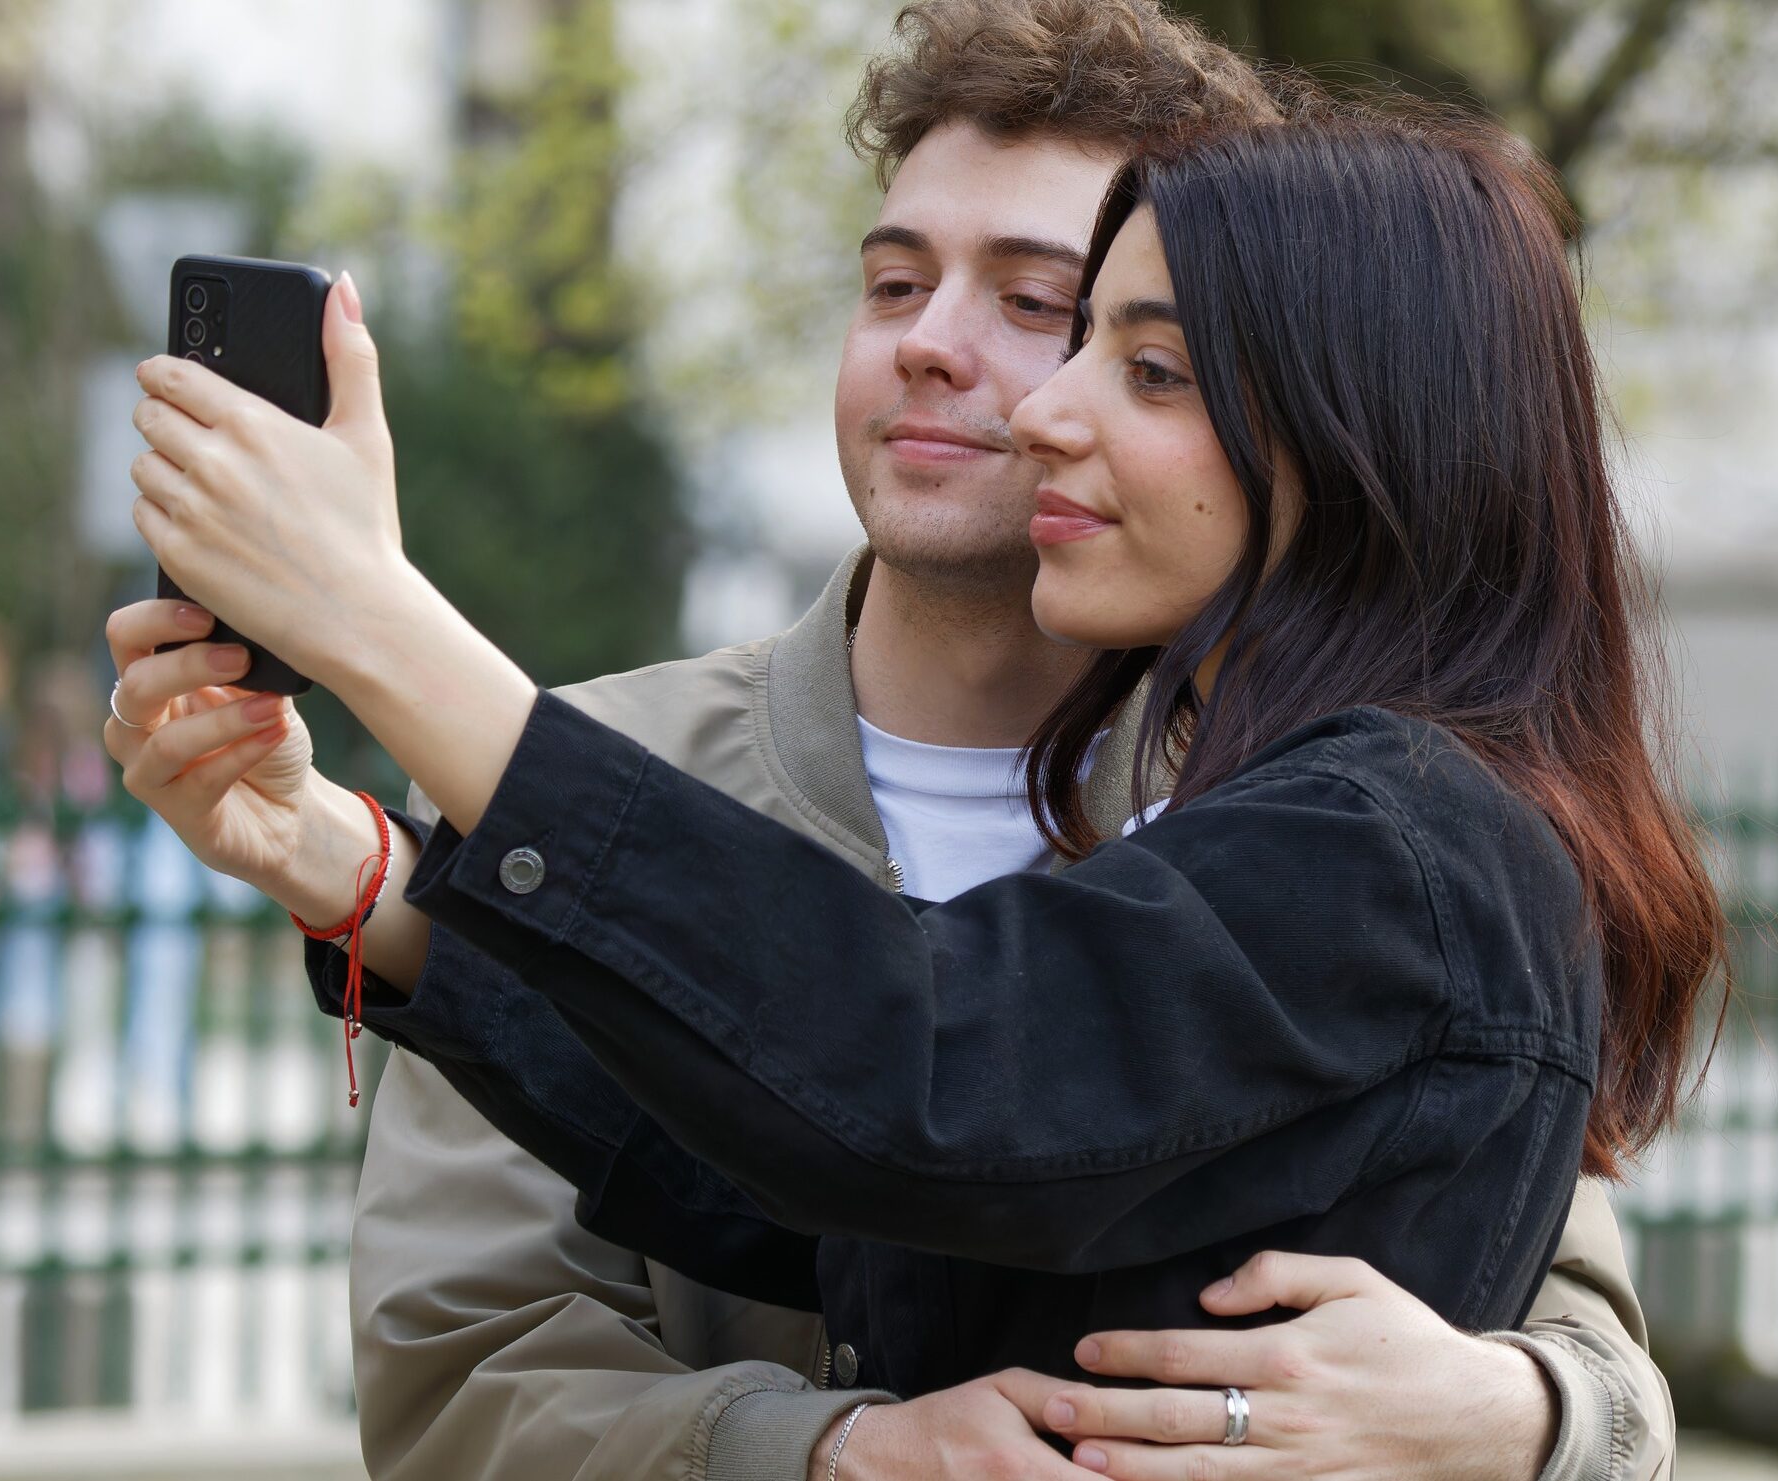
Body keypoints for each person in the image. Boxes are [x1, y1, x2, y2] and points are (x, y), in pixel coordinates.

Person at [100, 5, 1686, 1479]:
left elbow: (913, 1068)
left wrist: (383, 624)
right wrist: (367, 881)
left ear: (1353, 436)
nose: (1029, 394)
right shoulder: (1309, 810)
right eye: (893, 278)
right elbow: (851, 1194)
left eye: (1117, 350)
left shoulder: (1393, 833)